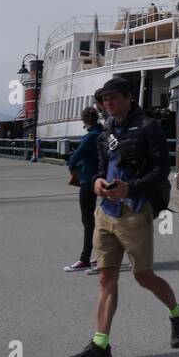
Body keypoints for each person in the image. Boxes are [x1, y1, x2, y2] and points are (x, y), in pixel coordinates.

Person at [63, 76, 179, 357]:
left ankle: (178, 312)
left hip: (134, 209)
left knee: (143, 276)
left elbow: (161, 171)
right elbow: (98, 164)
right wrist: (96, 181)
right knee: (107, 277)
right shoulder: (105, 130)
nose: (107, 102)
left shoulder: (149, 127)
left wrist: (129, 189)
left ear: (128, 97)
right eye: (104, 99)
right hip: (105, 210)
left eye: (113, 97)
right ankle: (100, 344)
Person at [63, 107, 104, 272]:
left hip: (88, 181)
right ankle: (101, 255)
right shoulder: (103, 133)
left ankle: (85, 258)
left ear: (84, 120)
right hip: (102, 179)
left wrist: (73, 167)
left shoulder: (90, 137)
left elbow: (74, 157)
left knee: (88, 221)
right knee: (104, 219)